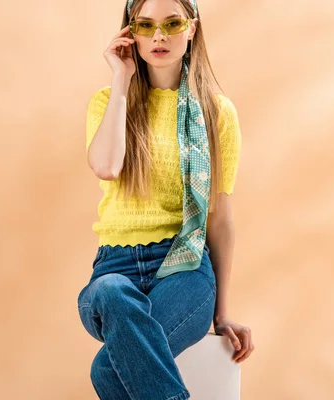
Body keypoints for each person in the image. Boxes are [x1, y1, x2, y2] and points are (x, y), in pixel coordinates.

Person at [76, 0, 255, 398]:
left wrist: (222, 312)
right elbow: (106, 166)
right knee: (109, 292)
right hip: (114, 267)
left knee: (109, 368)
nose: (159, 36)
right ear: (131, 33)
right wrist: (121, 80)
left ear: (192, 29)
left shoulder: (216, 113)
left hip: (185, 267)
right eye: (145, 25)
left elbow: (220, 219)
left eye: (172, 23)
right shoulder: (108, 103)